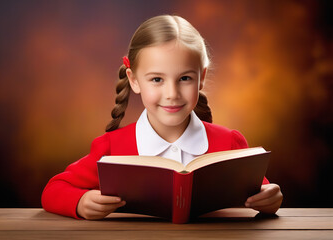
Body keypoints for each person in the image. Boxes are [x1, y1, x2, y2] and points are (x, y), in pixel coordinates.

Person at [41, 15, 283, 220]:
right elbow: (53, 190)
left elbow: (264, 192)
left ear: (201, 78)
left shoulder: (230, 143)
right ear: (134, 80)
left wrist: (271, 199)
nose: (172, 94)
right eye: (157, 79)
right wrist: (81, 202)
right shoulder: (111, 148)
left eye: (185, 78)